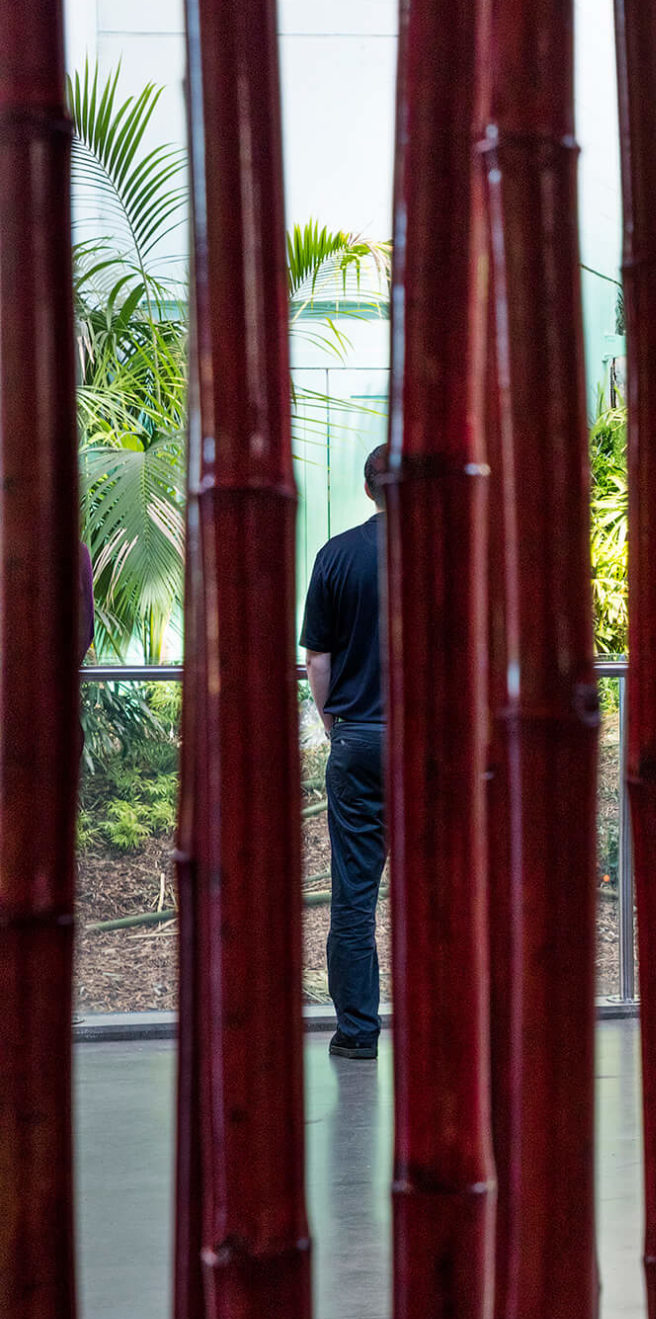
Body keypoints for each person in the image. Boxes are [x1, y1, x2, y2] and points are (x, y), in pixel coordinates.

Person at [300, 445, 390, 1062]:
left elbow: (319, 659)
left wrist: (337, 723)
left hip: (360, 740)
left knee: (353, 895)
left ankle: (357, 1031)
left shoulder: (337, 554)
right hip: (437, 749)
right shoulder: (457, 554)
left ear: (367, 489)